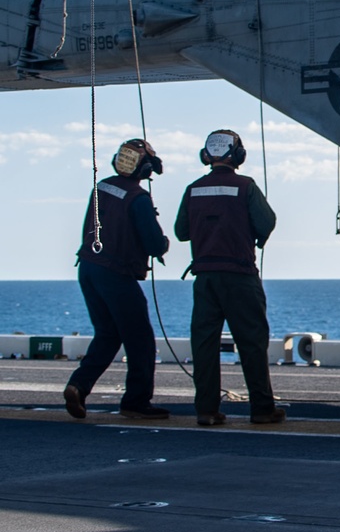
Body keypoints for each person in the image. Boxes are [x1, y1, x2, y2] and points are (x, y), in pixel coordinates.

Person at [174, 129, 285, 428]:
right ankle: (262, 409)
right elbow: (267, 221)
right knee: (251, 342)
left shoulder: (193, 189)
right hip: (240, 277)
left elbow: (181, 232)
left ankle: (207, 411)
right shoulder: (245, 186)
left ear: (206, 155)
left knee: (205, 345)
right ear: (238, 155)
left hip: (205, 278)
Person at [64, 138, 170, 421]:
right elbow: (153, 244)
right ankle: (136, 401)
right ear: (145, 168)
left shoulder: (101, 187)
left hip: (87, 267)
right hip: (116, 273)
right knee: (141, 341)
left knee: (108, 333)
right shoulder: (138, 198)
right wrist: (163, 243)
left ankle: (78, 385)